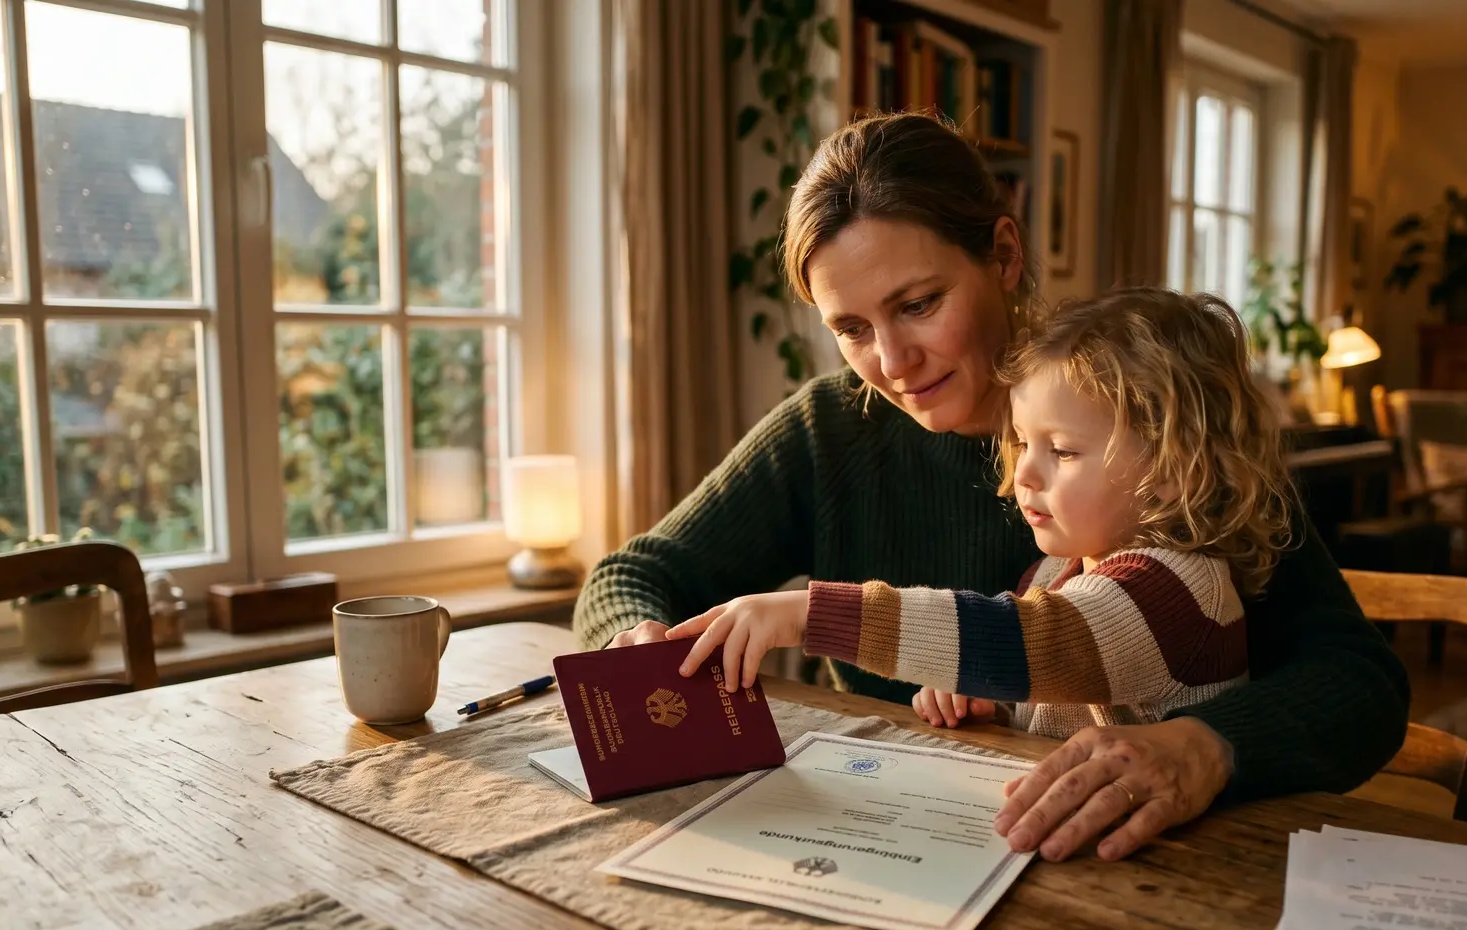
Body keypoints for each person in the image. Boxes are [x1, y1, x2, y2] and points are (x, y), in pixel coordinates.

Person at [573, 112, 1408, 863]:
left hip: (1138, 863)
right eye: (852, 329)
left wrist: (1206, 746)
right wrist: (632, 642)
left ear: (1004, 255)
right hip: (893, 838)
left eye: (919, 304)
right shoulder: (829, 428)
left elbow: (1361, 683)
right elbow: (634, 573)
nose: (892, 363)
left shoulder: (1148, 421)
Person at [668, 288, 1290, 759]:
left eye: (1063, 451)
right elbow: (1058, 688)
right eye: (1022, 443)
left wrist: (810, 614)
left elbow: (1036, 642)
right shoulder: (1061, 566)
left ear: (1174, 470)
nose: (1026, 475)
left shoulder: (1178, 588)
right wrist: (996, 702)